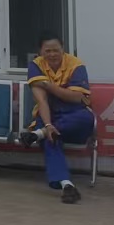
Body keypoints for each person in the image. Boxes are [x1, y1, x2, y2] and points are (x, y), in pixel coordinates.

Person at [17, 32, 93, 203]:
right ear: (40, 51)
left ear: (62, 49)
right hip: (49, 113)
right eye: (48, 51)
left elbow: (76, 97)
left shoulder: (76, 65)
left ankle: (38, 134)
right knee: (51, 138)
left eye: (56, 50)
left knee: (87, 118)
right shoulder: (36, 65)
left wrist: (47, 84)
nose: (52, 54)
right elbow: (42, 100)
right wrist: (48, 124)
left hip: (74, 115)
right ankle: (67, 185)